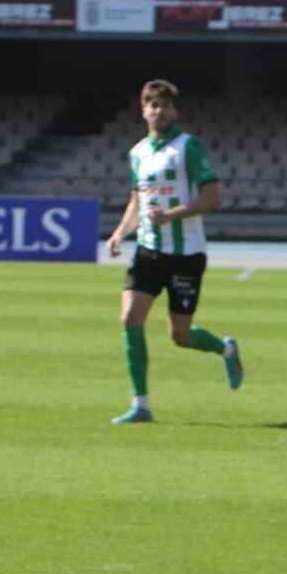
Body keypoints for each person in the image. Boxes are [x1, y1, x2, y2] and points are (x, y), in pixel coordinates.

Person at [104, 79, 244, 424]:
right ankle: (141, 404)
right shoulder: (137, 153)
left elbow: (213, 197)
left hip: (186, 253)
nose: (159, 111)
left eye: (165, 105)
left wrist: (171, 215)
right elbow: (137, 200)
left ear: (175, 111)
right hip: (149, 251)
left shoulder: (188, 148)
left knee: (180, 336)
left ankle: (225, 349)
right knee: (129, 318)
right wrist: (121, 232)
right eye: (153, 105)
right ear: (143, 110)